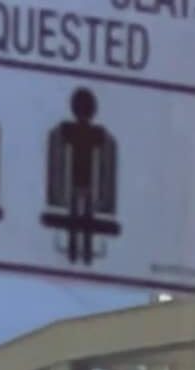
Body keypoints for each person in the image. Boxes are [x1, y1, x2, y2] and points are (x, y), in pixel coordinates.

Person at [44, 88, 119, 265]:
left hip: (81, 182)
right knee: (82, 218)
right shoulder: (91, 132)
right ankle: (82, 255)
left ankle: (79, 254)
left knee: (81, 218)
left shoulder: (76, 130)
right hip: (82, 182)